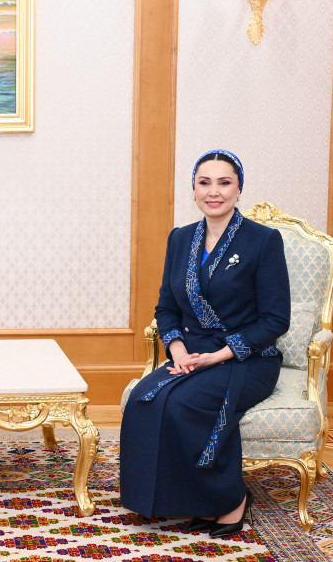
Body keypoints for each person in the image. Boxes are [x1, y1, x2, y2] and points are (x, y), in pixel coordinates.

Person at [120, 149, 290, 537]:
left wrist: (220, 355)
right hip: (193, 353)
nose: (214, 192)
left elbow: (276, 320)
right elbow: (166, 308)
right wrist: (178, 351)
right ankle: (181, 500)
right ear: (194, 189)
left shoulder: (263, 240)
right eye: (204, 182)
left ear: (239, 188)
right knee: (144, 399)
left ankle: (230, 500)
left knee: (183, 404)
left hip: (248, 358)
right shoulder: (180, 239)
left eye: (224, 183)